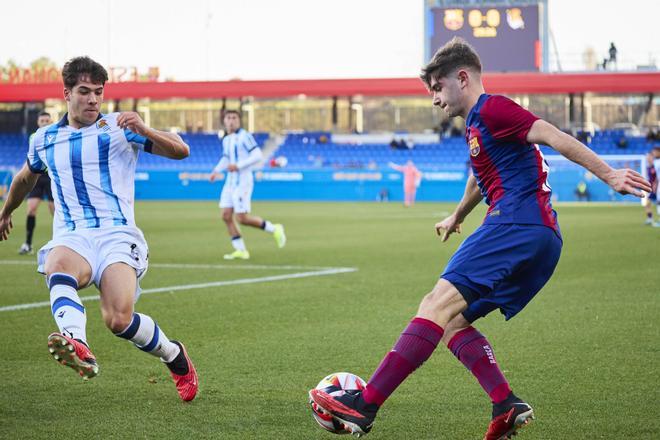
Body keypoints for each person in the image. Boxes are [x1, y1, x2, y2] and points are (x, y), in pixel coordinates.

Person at [309, 37, 651, 439]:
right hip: (542, 239)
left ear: (463, 77)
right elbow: (480, 176)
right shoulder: (478, 124)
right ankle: (505, 402)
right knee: (453, 322)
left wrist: (609, 174)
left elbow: (551, 134)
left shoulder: (493, 107)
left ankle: (363, 407)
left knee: (434, 305)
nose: (435, 99)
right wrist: (457, 214)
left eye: (438, 87)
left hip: (515, 223)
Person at [0, 56, 198, 401]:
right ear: (67, 93)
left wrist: (145, 129)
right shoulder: (44, 138)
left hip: (117, 235)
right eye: (85, 91)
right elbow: (24, 178)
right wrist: (5, 213)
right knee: (56, 264)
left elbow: (181, 150)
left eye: (98, 92)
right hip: (73, 235)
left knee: (119, 319)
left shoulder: (119, 127)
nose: (93, 99)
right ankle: (78, 342)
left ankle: (174, 355)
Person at [209, 110, 286, 260]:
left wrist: (238, 165)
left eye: (234, 118)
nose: (231, 121)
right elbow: (226, 158)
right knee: (226, 216)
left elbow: (257, 155)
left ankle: (274, 228)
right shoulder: (227, 139)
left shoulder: (245, 136)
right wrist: (215, 171)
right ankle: (241, 250)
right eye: (228, 118)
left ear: (239, 121)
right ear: (224, 121)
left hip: (243, 181)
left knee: (242, 218)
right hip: (230, 182)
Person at [18, 111, 55, 255]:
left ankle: (60, 243)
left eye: (47, 120)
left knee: (55, 211)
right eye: (42, 120)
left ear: (50, 122)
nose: (45, 122)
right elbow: (32, 157)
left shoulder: (56, 135)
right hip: (37, 177)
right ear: (38, 123)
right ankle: (28, 244)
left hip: (51, 177)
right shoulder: (34, 137)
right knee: (31, 208)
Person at [643, 151, 659, 226]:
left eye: (649, 156)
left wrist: (655, 186)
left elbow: (657, 178)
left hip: (656, 188)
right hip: (651, 188)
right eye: (647, 157)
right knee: (648, 204)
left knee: (648, 204)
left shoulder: (656, 166)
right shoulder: (649, 166)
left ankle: (651, 220)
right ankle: (650, 219)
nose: (647, 158)